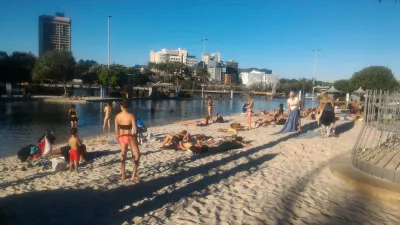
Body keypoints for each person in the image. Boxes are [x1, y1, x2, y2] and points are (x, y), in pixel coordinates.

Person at [115, 99, 140, 181]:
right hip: (129, 136)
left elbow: (116, 130)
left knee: (123, 155)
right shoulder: (131, 115)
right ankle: (133, 176)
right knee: (137, 155)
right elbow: (135, 129)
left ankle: (123, 175)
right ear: (127, 106)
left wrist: (118, 137)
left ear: (121, 106)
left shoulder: (117, 116)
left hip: (121, 137)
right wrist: (136, 136)